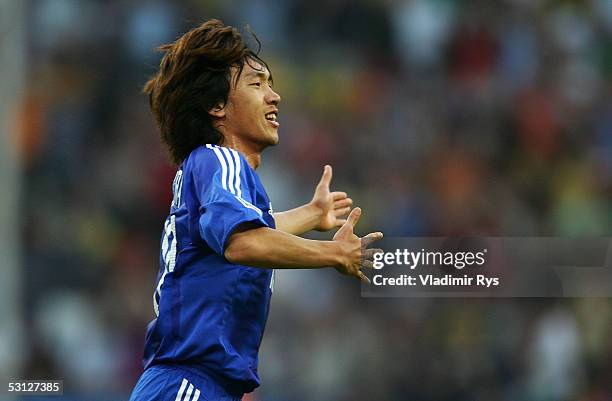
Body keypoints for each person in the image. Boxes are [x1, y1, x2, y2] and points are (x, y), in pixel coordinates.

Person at [129, 19, 383, 401]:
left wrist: (309, 216)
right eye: (257, 84)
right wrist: (331, 252)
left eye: (271, 83)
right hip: (189, 384)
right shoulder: (220, 160)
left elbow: (236, 235)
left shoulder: (206, 170)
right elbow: (242, 243)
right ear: (217, 106)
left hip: (191, 385)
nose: (274, 96)